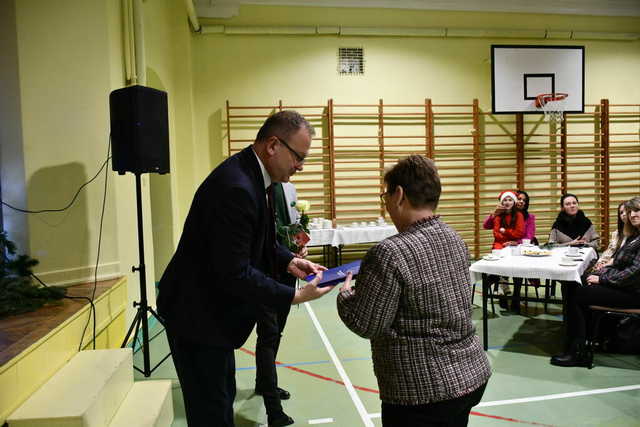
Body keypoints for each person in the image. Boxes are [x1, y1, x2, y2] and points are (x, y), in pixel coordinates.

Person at [157, 111, 335, 427]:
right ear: (272, 145)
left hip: (210, 316)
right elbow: (234, 271)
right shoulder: (237, 187)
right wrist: (294, 297)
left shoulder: (253, 176)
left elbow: (259, 240)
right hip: (196, 315)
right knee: (212, 412)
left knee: (220, 400)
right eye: (298, 156)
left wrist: (289, 261)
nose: (300, 166)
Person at [337, 155, 491, 427]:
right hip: (470, 374)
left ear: (398, 195)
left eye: (384, 195)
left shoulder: (389, 252)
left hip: (421, 391)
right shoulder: (454, 238)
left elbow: (367, 323)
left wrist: (347, 294)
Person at [550, 197, 640, 368]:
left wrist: (602, 279)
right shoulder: (635, 234)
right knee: (576, 283)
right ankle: (574, 339)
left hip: (634, 293)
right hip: (626, 287)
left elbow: (634, 273)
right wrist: (601, 272)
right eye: (630, 211)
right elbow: (620, 262)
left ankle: (577, 352)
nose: (633, 215)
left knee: (578, 293)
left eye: (637, 210)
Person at [254, 181, 305, 427]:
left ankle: (263, 383)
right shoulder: (256, 190)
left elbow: (292, 225)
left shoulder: (290, 189)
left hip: (286, 269)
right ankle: (274, 409)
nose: (299, 166)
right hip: (263, 274)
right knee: (269, 335)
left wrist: (298, 247)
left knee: (276, 333)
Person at [592, 202, 628, 272]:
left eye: (627, 211)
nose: (624, 214)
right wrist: (600, 262)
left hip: (620, 270)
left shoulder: (635, 236)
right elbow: (609, 252)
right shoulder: (617, 233)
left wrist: (606, 265)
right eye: (621, 212)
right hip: (610, 265)